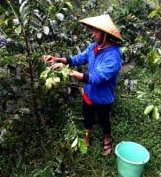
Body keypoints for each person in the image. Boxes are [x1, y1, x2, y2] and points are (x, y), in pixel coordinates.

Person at [42, 14, 123, 156]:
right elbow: (78, 59)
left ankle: (107, 137)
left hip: (104, 97)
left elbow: (97, 78)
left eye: (96, 32)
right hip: (88, 93)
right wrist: (56, 59)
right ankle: (86, 135)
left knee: (104, 120)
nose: (93, 35)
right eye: (93, 31)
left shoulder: (114, 56)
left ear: (105, 34)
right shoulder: (94, 47)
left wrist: (68, 71)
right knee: (87, 116)